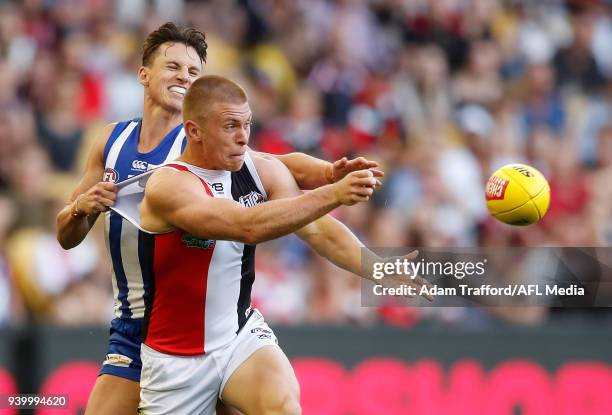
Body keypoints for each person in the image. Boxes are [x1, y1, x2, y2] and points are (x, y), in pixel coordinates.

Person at [55, 23, 382, 415]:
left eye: (193, 72)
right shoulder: (113, 141)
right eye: (173, 66)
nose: (183, 77)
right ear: (143, 74)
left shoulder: (201, 144)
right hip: (138, 328)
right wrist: (80, 208)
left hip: (225, 329)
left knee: (281, 404)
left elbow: (271, 167)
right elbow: (65, 235)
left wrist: (327, 176)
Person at [133, 75, 431, 414]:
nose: (243, 136)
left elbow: (317, 228)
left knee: (284, 407)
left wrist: (377, 267)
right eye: (230, 125)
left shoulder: (257, 169)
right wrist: (332, 192)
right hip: (175, 359)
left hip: (238, 338)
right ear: (194, 130)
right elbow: (245, 226)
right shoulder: (169, 185)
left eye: (246, 124)